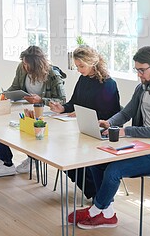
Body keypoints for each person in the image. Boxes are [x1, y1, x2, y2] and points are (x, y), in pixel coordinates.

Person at [68, 45, 150, 229]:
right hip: (139, 145)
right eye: (137, 70)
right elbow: (126, 113)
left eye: (142, 70)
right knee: (97, 161)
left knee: (114, 170)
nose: (139, 74)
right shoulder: (142, 88)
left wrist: (126, 131)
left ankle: (94, 211)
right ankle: (107, 213)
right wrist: (109, 122)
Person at [49, 45, 121, 199]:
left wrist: (83, 114)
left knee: (69, 155)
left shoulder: (108, 84)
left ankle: (97, 194)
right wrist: (62, 108)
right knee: (62, 155)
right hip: (81, 128)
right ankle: (94, 191)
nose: (79, 70)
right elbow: (74, 102)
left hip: (101, 131)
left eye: (81, 66)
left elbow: (110, 115)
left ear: (92, 62)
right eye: (77, 66)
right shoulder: (83, 79)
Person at [0, 45, 66, 178]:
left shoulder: (53, 75)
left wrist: (41, 99)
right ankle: (6, 164)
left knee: (28, 129)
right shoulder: (21, 68)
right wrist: (5, 94)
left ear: (37, 65)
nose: (25, 66)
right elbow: (15, 87)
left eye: (27, 64)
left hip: (45, 114)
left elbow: (63, 101)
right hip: (26, 109)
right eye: (23, 63)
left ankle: (33, 158)